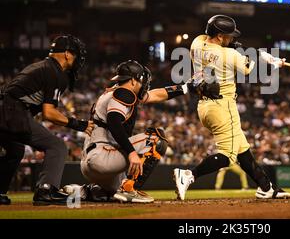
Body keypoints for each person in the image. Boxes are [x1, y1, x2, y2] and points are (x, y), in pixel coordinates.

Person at [173, 15, 290, 200]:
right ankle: (189, 175)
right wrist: (274, 63)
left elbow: (233, 48)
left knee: (242, 150)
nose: (232, 38)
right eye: (229, 35)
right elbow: (251, 69)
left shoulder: (197, 42)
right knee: (227, 156)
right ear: (220, 36)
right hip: (223, 105)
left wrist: (257, 53)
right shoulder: (229, 55)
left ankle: (266, 187)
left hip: (204, 106)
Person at [64, 60, 215, 203]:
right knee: (157, 139)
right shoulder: (123, 93)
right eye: (142, 81)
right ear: (132, 81)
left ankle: (82, 191)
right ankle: (130, 189)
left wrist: (185, 87)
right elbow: (114, 122)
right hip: (102, 156)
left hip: (92, 160)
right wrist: (131, 152)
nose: (144, 85)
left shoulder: (117, 92)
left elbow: (156, 94)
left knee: (111, 194)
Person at [0, 35, 94, 205]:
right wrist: (78, 124)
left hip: (7, 109)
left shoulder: (43, 66)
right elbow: (49, 114)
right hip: (11, 111)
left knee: (15, 150)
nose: (77, 59)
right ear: (67, 54)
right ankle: (46, 190)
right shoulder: (54, 71)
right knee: (56, 146)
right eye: (76, 55)